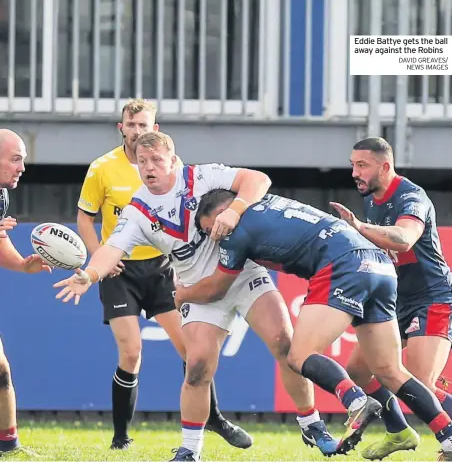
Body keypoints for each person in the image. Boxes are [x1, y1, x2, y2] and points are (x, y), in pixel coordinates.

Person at [55, 131, 339, 462]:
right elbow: (111, 250)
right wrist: (88, 275)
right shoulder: (136, 211)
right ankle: (190, 449)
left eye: (157, 160)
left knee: (285, 345)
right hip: (199, 291)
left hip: (241, 274)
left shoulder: (201, 176)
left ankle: (311, 423)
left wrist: (235, 209)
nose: (149, 167)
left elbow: (258, 179)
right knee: (197, 367)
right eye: (143, 161)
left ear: (173, 160)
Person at [172, 188, 452, 461]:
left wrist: (182, 293)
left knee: (299, 355)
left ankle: (356, 401)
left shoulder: (236, 230)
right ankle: (447, 437)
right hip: (379, 263)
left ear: (224, 212)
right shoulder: (266, 199)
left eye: (212, 230)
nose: (215, 237)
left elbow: (216, 289)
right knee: (390, 370)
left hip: (343, 265)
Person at [77, 100, 251, 450]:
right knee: (131, 352)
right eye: (131, 124)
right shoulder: (102, 168)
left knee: (192, 350)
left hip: (162, 268)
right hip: (119, 271)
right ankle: (121, 438)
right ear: (121, 128)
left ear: (155, 129)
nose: (138, 130)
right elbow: (85, 218)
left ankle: (214, 418)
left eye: (144, 125)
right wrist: (100, 259)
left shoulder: (172, 165)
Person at [329, 136, 452, 460]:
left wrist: (358, 226)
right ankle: (398, 432)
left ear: (385, 166)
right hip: (395, 301)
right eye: (353, 165)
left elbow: (404, 239)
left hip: (433, 297)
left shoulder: (411, 197)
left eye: (362, 165)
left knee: (421, 383)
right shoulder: (373, 197)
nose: (355, 172)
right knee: (358, 370)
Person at [0, 129, 52, 454]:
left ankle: (8, 445)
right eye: (16, 159)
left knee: (1, 371)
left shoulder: (1, 195)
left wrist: (22, 265)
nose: (22, 167)